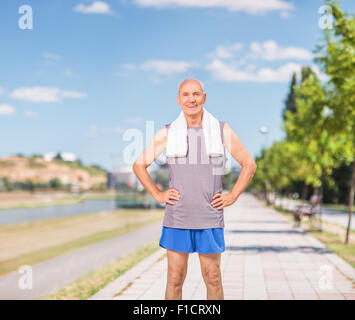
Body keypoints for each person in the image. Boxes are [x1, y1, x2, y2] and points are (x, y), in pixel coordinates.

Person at [132, 78, 257, 300]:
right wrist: (158, 194)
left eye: (196, 94)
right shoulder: (168, 132)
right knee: (175, 279)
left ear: (204, 98)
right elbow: (139, 165)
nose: (192, 99)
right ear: (179, 100)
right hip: (177, 218)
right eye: (186, 95)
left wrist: (233, 196)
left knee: (213, 278)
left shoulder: (221, 130)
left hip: (209, 218)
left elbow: (249, 164)